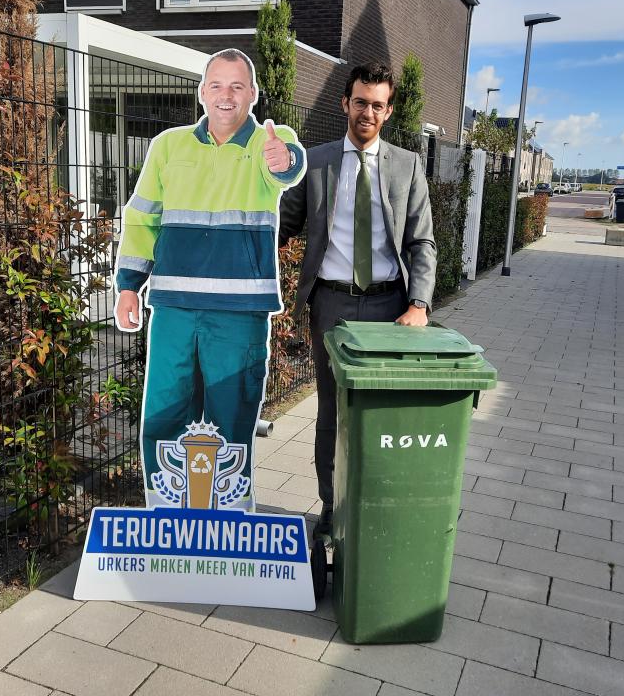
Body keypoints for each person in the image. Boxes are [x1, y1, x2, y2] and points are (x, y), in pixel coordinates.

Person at [115, 48, 306, 510]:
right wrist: (127, 284)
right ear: (202, 92)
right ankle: (164, 512)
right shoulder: (168, 145)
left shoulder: (268, 143)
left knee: (231, 416)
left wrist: (287, 159)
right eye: (217, 85)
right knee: (164, 412)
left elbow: (288, 166)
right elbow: (143, 219)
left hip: (238, 314)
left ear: (253, 94)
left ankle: (230, 519)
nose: (226, 96)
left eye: (237, 86)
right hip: (175, 309)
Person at [279, 62, 436, 537]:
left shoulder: (407, 166)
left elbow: (421, 242)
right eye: (360, 101)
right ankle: (332, 505)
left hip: (391, 309)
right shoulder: (317, 161)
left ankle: (375, 502)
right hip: (332, 307)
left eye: (377, 104)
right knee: (331, 412)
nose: (367, 111)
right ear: (344, 103)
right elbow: (281, 226)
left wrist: (420, 305)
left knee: (379, 411)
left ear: (388, 112)